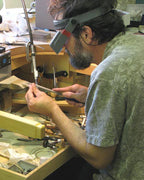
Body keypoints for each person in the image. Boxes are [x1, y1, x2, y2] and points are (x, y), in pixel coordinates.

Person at [25, 0, 144, 179]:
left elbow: (98, 157)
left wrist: (52, 110)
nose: (62, 48)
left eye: (63, 38)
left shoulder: (108, 72)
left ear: (86, 34)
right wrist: (92, 96)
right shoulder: (137, 42)